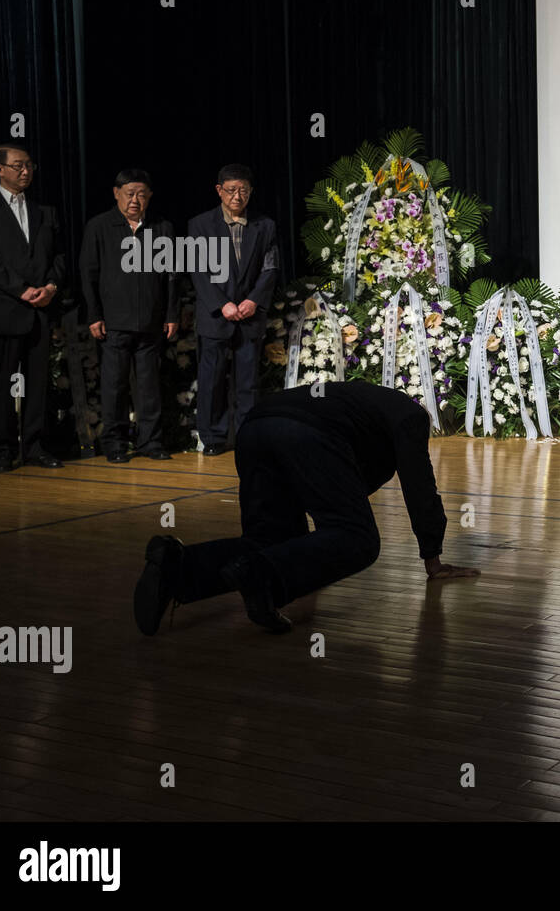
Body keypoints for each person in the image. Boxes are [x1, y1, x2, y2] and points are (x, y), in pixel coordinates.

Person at [133, 381, 479, 635]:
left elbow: (338, 486)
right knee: (358, 540)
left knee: (272, 540)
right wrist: (432, 556)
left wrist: (308, 553)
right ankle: (265, 580)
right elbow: (419, 484)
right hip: (305, 433)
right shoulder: (410, 417)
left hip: (256, 427)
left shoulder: (360, 404)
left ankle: (176, 567)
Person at [0, 144, 66, 471]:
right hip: (5, 308)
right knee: (2, 384)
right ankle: (2, 450)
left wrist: (51, 286)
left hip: (41, 307)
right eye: (18, 166)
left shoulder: (45, 211)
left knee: (38, 383)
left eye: (29, 165)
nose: (26, 171)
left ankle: (35, 447)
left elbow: (59, 257)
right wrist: (21, 290)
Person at [80, 169, 178, 462]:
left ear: (149, 197)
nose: (135, 200)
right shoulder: (99, 226)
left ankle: (151, 442)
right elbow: (89, 274)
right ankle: (115, 444)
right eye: (129, 193)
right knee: (114, 386)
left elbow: (171, 275)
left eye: (141, 194)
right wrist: (94, 315)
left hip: (150, 321)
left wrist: (171, 314)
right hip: (114, 322)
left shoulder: (162, 227)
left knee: (149, 387)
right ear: (116, 194)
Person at [188, 164, 279, 456]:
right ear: (219, 191)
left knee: (248, 384)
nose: (237, 196)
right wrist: (222, 303)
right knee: (211, 381)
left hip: (250, 315)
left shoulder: (265, 225)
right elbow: (198, 269)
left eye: (243, 190)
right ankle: (213, 438)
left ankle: (247, 436)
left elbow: (270, 268)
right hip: (216, 316)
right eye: (230, 190)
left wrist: (253, 300)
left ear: (251, 191)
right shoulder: (200, 224)